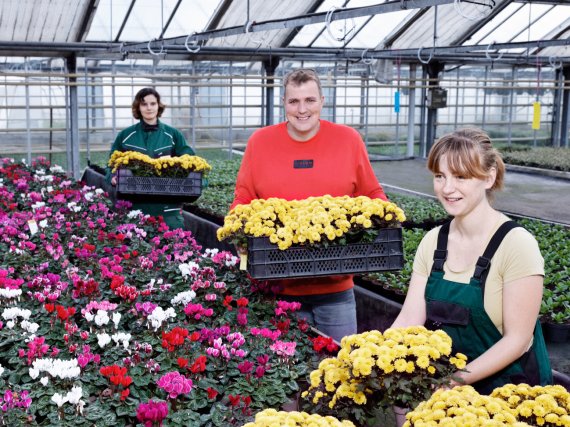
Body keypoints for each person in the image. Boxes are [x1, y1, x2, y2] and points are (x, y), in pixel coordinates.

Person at [230, 68, 388, 342]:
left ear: (322, 101)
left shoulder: (348, 140)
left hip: (336, 288)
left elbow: (372, 192)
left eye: (310, 100)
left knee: (340, 372)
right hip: (276, 289)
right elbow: (243, 198)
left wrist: (386, 220)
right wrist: (237, 231)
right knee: (284, 374)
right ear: (284, 104)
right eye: (294, 101)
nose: (302, 109)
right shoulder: (260, 143)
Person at [391, 128, 552, 393]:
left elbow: (518, 340)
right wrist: (373, 353)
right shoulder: (433, 242)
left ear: (489, 178)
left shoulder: (516, 244)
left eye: (461, 177)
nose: (447, 188)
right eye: (440, 176)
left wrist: (453, 381)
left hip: (512, 393)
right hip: (453, 389)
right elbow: (410, 317)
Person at [106, 87, 195, 230]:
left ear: (158, 105)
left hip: (168, 211)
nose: (149, 108)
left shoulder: (172, 135)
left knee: (172, 249)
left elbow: (191, 162)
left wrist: (175, 164)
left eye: (153, 103)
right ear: (138, 107)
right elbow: (111, 165)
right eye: (144, 104)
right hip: (135, 208)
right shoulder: (126, 136)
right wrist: (112, 176)